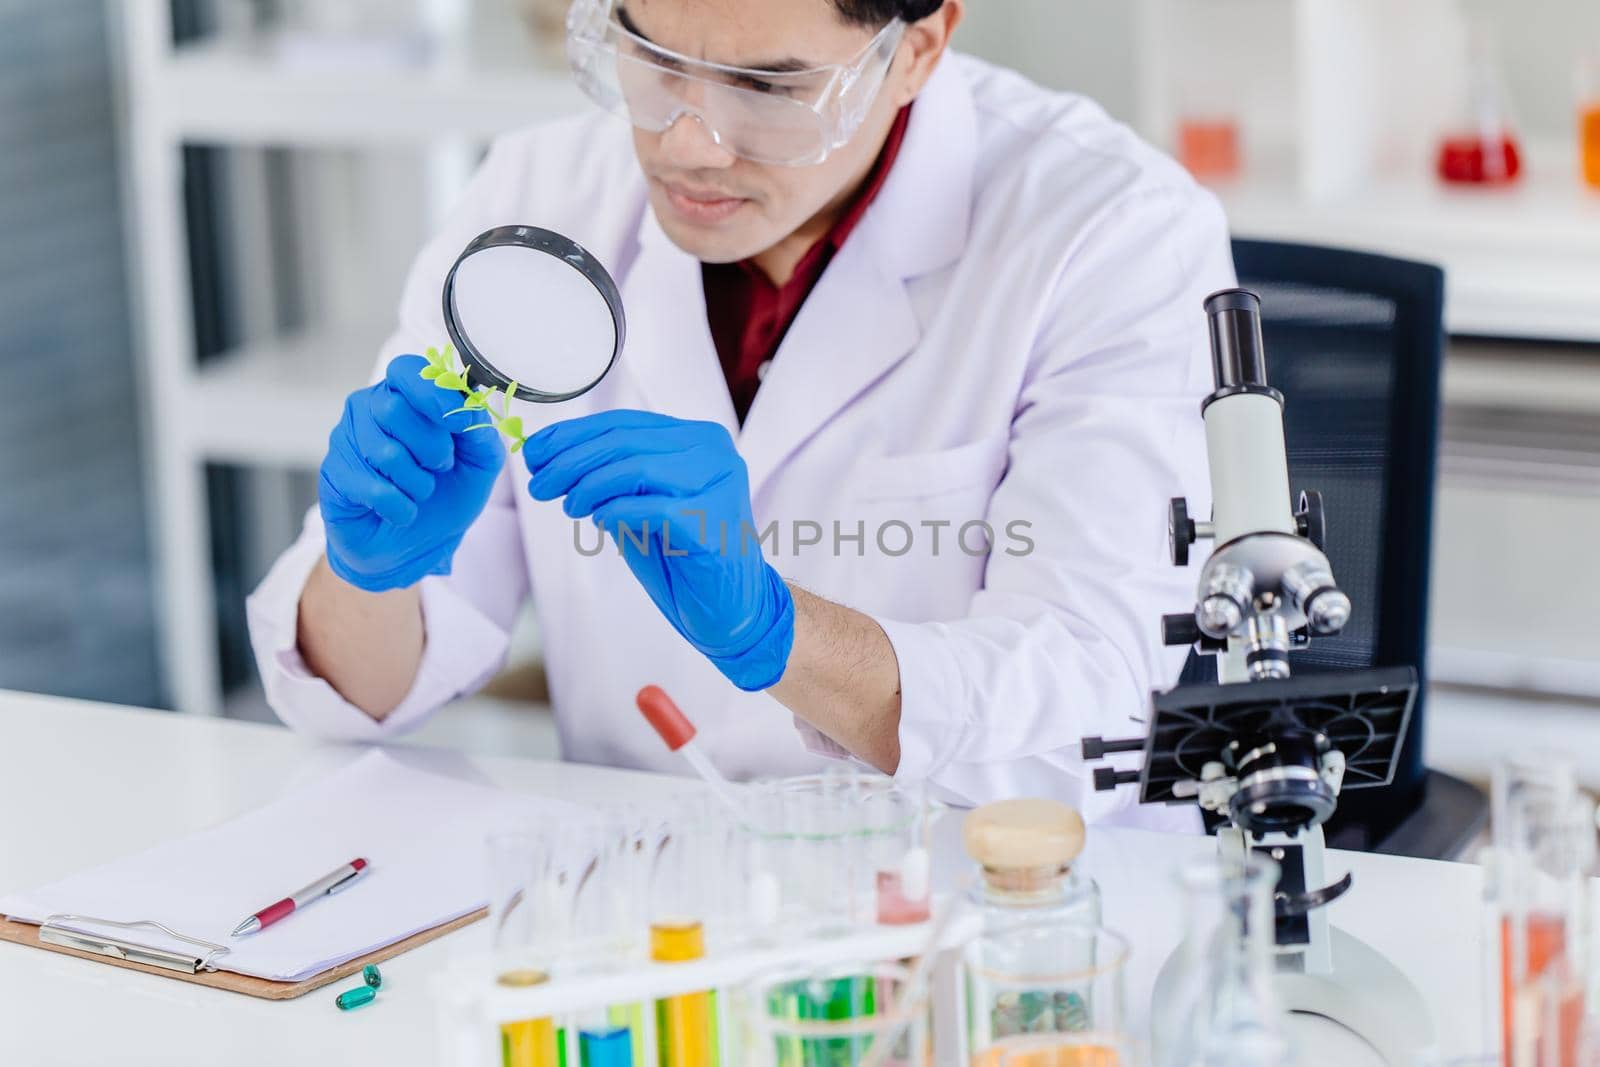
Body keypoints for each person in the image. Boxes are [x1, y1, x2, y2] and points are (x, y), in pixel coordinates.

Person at [247, 0, 1232, 828]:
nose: (688, 143)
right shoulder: (538, 193)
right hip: (645, 897)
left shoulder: (1110, 230)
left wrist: (776, 631)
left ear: (918, 47)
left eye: (768, 88)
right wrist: (367, 568)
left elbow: (1093, 707)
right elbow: (359, 695)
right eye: (650, 57)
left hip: (974, 905)